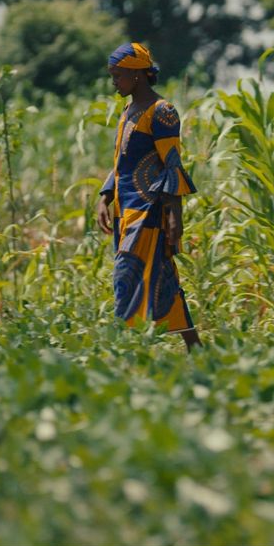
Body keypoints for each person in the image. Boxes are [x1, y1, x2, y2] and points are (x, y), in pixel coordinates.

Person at [94, 42, 201, 349]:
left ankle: (126, 349)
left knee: (126, 275)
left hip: (149, 212)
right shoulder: (128, 110)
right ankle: (195, 348)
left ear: (137, 75)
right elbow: (123, 162)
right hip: (126, 213)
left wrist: (174, 215)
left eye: (118, 75)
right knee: (163, 280)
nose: (114, 82)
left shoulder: (162, 113)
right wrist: (105, 197)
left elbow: (171, 165)